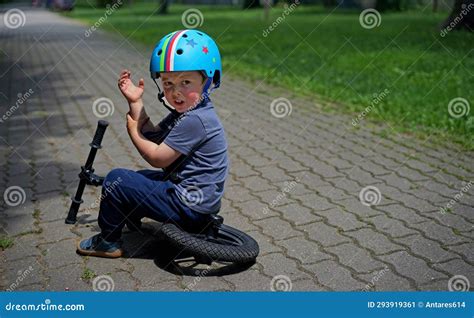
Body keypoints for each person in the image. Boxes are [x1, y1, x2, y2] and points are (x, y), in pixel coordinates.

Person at [77, 29, 229, 258]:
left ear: (208, 80)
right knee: (142, 178)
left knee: (116, 180)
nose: (175, 92)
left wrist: (132, 132)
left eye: (185, 82)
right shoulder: (189, 112)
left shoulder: (195, 120)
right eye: (167, 83)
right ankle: (132, 214)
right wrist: (136, 102)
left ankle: (107, 242)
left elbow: (158, 157)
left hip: (188, 207)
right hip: (197, 202)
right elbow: (155, 135)